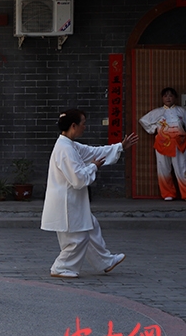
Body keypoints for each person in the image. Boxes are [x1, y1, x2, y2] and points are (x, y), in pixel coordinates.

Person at [42, 109, 139, 278]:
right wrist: (94, 166)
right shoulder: (65, 149)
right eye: (83, 124)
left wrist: (119, 147)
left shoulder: (70, 145)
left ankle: (104, 261)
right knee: (77, 239)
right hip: (67, 202)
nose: (85, 127)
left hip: (72, 200)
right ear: (73, 126)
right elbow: (78, 178)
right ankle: (61, 267)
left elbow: (93, 152)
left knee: (90, 226)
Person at [138, 87, 186, 200]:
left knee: (182, 169)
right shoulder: (157, 112)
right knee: (163, 169)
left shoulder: (182, 111)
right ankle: (168, 194)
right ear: (162, 98)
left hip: (179, 144)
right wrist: (154, 128)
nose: (168, 98)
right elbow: (143, 121)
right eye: (165, 96)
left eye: (170, 95)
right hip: (162, 144)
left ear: (175, 98)